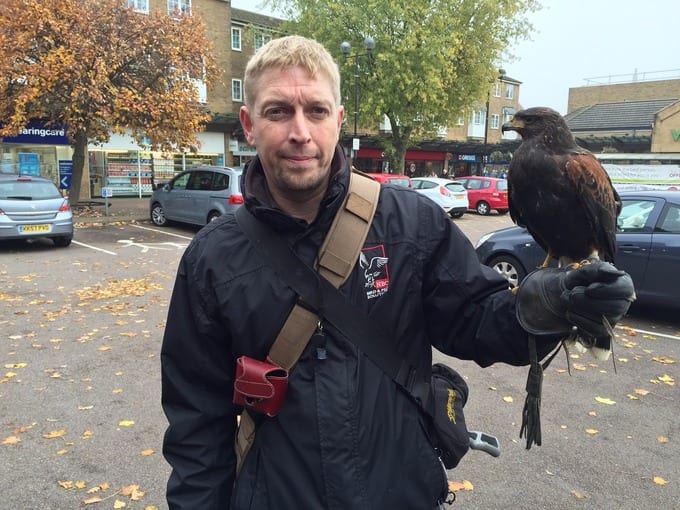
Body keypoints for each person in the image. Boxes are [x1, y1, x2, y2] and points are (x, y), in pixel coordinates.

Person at [161, 35, 634, 509]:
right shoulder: (211, 259)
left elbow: (478, 320)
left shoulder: (411, 223)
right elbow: (196, 426)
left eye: (317, 111)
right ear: (248, 124)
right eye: (278, 111)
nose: (300, 131)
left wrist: (546, 306)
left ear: (340, 120)